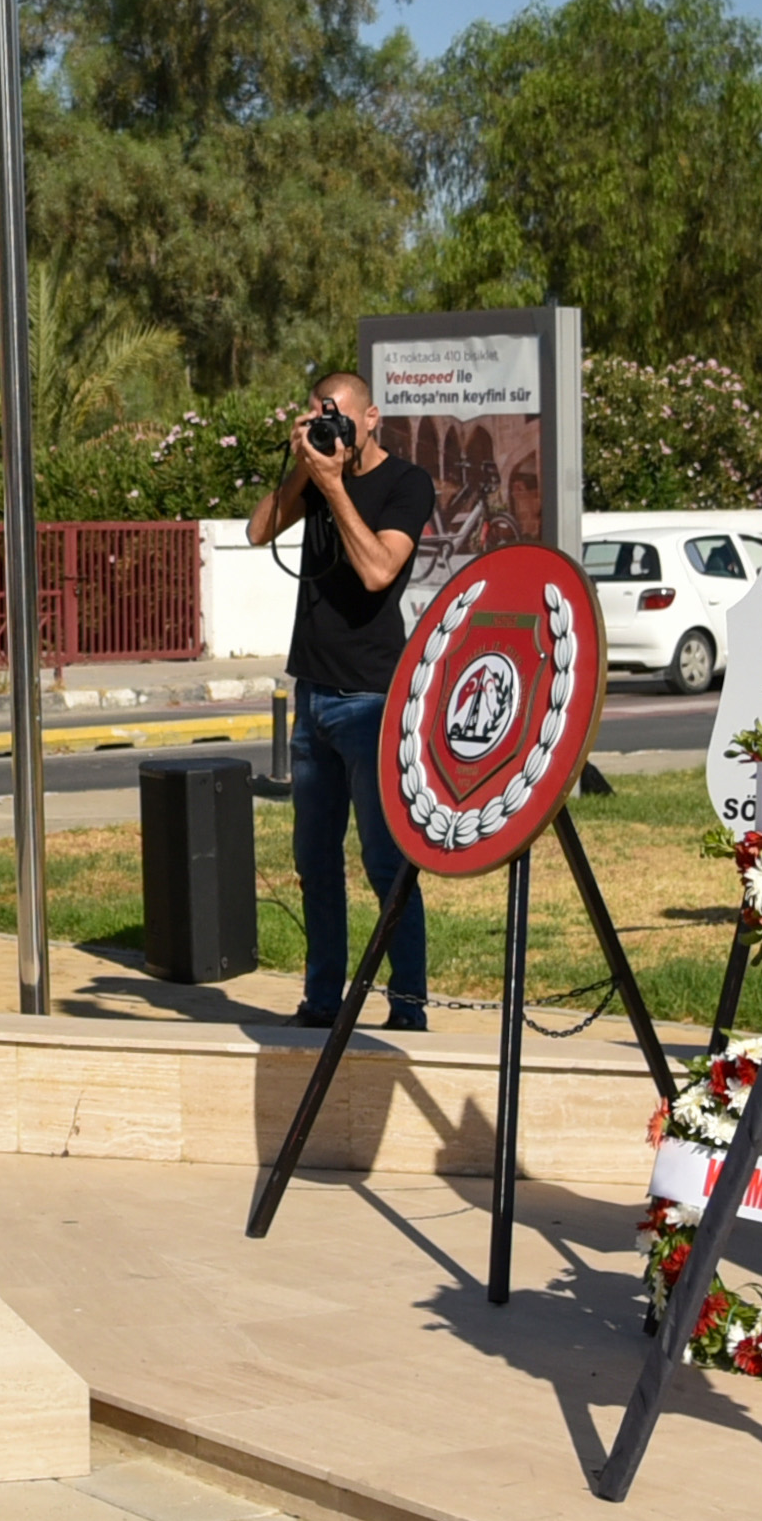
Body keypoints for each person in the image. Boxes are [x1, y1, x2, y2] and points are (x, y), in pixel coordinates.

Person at [247, 371, 438, 1036]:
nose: (329, 426)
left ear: (372, 417)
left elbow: (379, 570)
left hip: (371, 698)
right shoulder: (316, 476)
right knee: (315, 861)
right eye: (316, 415)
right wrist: (307, 469)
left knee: (385, 861)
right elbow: (258, 531)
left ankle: (407, 1005)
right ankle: (322, 999)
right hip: (314, 694)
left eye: (338, 415)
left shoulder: (407, 483)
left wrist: (332, 488)